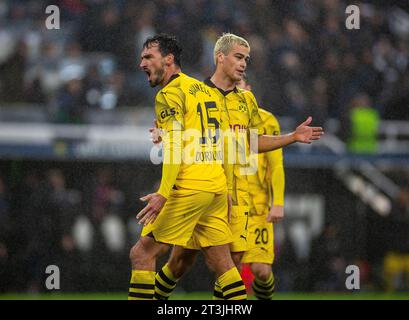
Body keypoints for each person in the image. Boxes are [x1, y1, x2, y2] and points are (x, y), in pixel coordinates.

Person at [151, 33, 323, 300]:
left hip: (237, 196)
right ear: (220, 57)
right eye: (239, 57)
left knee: (233, 261)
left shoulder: (247, 102)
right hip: (200, 190)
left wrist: (292, 137)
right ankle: (155, 298)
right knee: (180, 261)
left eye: (247, 59)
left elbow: (251, 143)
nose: (244, 64)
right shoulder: (196, 92)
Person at [129, 33, 247, 300]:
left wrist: (163, 193)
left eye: (148, 57)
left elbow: (173, 148)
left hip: (190, 186)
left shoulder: (169, 94)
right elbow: (225, 143)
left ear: (168, 60)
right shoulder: (204, 90)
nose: (142, 64)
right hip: (215, 186)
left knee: (142, 253)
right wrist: (226, 188)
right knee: (223, 264)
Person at [237, 76, 284, 300]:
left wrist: (278, 203)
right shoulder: (219, 121)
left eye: (240, 86)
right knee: (229, 269)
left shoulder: (267, 121)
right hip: (231, 206)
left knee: (261, 271)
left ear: (249, 88)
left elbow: (276, 166)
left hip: (258, 209)